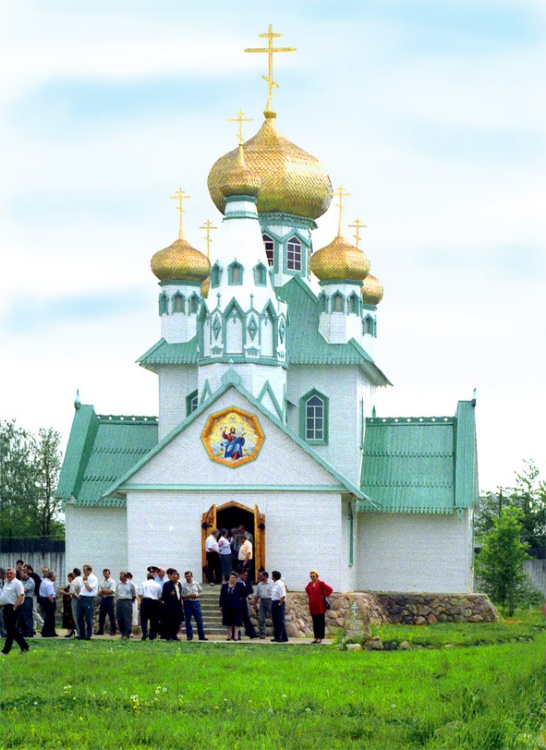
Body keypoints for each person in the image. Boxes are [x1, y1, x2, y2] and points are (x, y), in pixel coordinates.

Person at [0, 568, 29, 654]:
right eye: (7, 573)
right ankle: (24, 647)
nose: (8, 575)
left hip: (13, 608)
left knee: (11, 629)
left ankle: (7, 650)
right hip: (5, 608)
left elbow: (21, 596)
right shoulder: (6, 583)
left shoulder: (17, 583)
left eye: (11, 573)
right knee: (10, 630)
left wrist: (15, 607)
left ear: (15, 574)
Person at [305, 570, 333, 644]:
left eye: (313, 576)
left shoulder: (321, 583)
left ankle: (320, 637)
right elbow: (307, 590)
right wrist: (311, 596)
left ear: (317, 576)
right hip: (313, 606)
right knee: (315, 622)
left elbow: (330, 589)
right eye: (311, 576)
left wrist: (324, 594)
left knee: (320, 622)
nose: (312, 578)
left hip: (320, 605)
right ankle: (315, 637)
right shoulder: (310, 584)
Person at [219, 571, 246, 641]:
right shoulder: (224, 586)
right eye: (231, 577)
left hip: (236, 606)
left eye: (234, 578)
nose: (232, 579)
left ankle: (236, 635)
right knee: (228, 621)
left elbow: (245, 593)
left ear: (236, 579)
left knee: (237, 621)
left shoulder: (239, 585)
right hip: (226, 606)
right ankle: (229, 635)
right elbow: (222, 596)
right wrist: (221, 605)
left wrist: (241, 597)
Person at [181, 571, 207, 641]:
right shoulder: (183, 585)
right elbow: (182, 596)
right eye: (186, 576)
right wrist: (189, 595)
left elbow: (201, 593)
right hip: (187, 603)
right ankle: (189, 636)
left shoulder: (196, 584)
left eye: (189, 576)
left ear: (191, 576)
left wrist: (196, 595)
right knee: (188, 620)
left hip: (196, 602)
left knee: (199, 620)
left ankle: (201, 636)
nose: (188, 578)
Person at [161, 569, 183, 641]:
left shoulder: (179, 585)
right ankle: (168, 636)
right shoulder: (167, 584)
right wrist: (170, 594)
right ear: (170, 577)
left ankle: (174, 635)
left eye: (176, 577)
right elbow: (164, 595)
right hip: (169, 606)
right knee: (169, 621)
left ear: (178, 578)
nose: (174, 578)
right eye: (173, 577)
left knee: (176, 621)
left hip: (177, 605)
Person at [77, 564, 98, 640]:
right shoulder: (83, 578)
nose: (84, 572)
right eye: (83, 570)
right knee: (79, 617)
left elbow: (89, 589)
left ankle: (88, 634)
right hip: (81, 597)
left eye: (85, 570)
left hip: (88, 598)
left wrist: (85, 581)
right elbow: (81, 588)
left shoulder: (93, 578)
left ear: (89, 570)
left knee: (88, 617)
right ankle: (81, 634)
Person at [139, 573, 162, 641]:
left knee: (144, 619)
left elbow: (141, 595)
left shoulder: (143, 583)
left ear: (147, 577)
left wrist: (141, 603)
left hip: (145, 601)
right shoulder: (158, 585)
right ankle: (152, 635)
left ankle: (145, 633)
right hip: (154, 602)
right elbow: (159, 596)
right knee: (154, 620)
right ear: (154, 578)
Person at [237, 570, 257, 640]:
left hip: (243, 602)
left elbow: (249, 590)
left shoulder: (244, 582)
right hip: (238, 602)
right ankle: (237, 634)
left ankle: (252, 633)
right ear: (240, 574)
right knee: (238, 619)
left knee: (246, 618)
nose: (246, 576)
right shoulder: (238, 582)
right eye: (245, 575)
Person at [23, 565, 43, 635]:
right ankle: (33, 628)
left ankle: (43, 625)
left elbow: (39, 584)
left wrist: (37, 592)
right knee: (31, 612)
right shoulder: (25, 578)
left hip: (33, 595)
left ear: (29, 569)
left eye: (25, 569)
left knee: (33, 611)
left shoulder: (34, 576)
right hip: (29, 596)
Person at [116, 572, 137, 639]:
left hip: (127, 601)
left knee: (127, 618)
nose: (120, 578)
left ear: (125, 577)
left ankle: (127, 633)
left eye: (121, 576)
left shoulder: (131, 584)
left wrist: (129, 602)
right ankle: (122, 632)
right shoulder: (118, 584)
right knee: (120, 618)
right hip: (120, 601)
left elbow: (134, 595)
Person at [96, 568, 116, 636]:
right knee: (101, 615)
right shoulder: (102, 582)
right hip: (103, 599)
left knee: (111, 615)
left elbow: (111, 591)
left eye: (107, 573)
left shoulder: (112, 582)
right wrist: (104, 591)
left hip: (110, 599)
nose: (105, 575)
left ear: (109, 573)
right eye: (104, 574)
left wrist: (103, 591)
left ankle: (113, 630)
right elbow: (99, 592)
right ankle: (101, 630)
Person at [253, 570, 273, 639]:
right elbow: (257, 595)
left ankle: (278, 633)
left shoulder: (271, 583)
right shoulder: (259, 585)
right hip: (262, 601)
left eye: (261, 576)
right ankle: (262, 634)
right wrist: (254, 603)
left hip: (270, 601)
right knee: (261, 618)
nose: (259, 577)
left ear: (265, 576)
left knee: (273, 617)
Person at [39, 571, 58, 638]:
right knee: (50, 617)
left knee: (47, 617)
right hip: (49, 601)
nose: (55, 578)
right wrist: (53, 602)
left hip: (43, 600)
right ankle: (48, 632)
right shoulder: (49, 584)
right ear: (52, 577)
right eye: (55, 576)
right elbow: (49, 595)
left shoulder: (44, 582)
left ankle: (48, 631)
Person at [271, 570, 288, 643]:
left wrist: (279, 604)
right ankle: (277, 636)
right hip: (274, 602)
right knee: (275, 620)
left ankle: (284, 637)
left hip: (279, 602)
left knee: (280, 620)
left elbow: (283, 596)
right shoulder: (275, 584)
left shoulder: (280, 584)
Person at [19, 568, 35, 638]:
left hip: (28, 599)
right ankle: (23, 631)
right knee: (22, 616)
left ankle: (29, 632)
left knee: (28, 615)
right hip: (21, 599)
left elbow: (24, 590)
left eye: (21, 573)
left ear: (25, 573)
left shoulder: (30, 581)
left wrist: (17, 590)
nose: (20, 575)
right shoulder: (21, 581)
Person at [61, 573, 77, 638]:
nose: (68, 579)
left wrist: (65, 593)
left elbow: (72, 593)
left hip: (71, 603)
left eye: (69, 577)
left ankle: (71, 630)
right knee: (67, 617)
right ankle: (69, 630)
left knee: (71, 617)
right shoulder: (68, 585)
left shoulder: (74, 585)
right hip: (66, 603)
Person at [69, 568, 82, 638]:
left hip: (75, 600)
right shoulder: (83, 580)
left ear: (74, 573)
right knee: (82, 616)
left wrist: (77, 597)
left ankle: (79, 633)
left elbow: (72, 592)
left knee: (76, 616)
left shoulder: (74, 582)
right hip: (83, 599)